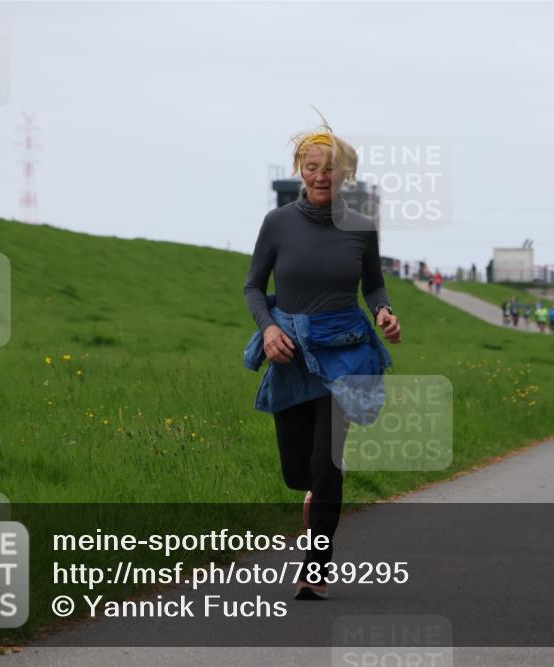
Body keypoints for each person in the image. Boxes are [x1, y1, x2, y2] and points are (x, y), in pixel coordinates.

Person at [243, 119, 402, 600]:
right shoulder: (277, 224)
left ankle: (316, 568)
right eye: (311, 168)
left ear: (344, 176)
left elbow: (373, 283)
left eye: (330, 170)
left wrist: (384, 311)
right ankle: (314, 490)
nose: (320, 176)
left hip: (344, 352)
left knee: (326, 460)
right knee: (298, 470)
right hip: (290, 352)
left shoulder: (360, 228)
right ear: (300, 170)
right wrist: (268, 328)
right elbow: (253, 286)